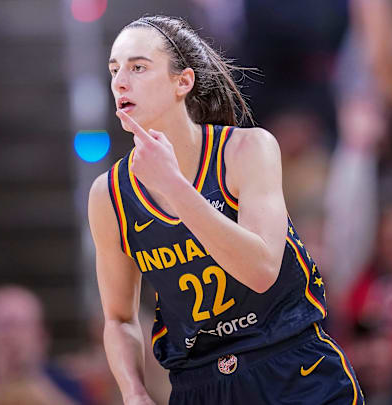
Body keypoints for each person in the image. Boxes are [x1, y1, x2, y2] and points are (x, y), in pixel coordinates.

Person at [87, 15, 363, 405]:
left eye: (138, 67)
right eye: (115, 70)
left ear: (183, 82)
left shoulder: (247, 150)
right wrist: (133, 392)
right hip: (199, 384)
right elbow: (118, 319)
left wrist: (173, 186)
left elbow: (262, 270)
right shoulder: (110, 195)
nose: (120, 81)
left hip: (291, 369)